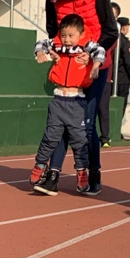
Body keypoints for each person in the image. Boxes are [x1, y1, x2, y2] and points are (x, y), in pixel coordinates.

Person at [37, 0, 119, 194]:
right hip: (68, 69)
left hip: (94, 68)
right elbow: (53, 30)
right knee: (60, 123)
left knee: (86, 126)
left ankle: (93, 174)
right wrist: (54, 51)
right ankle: (53, 175)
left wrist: (92, 55)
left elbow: (111, 31)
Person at [30, 15, 104, 195]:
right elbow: (40, 43)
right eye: (64, 35)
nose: (67, 40)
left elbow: (100, 51)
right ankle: (40, 164)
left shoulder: (86, 47)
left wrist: (95, 65)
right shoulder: (57, 46)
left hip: (76, 102)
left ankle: (82, 171)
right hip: (58, 101)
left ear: (81, 34)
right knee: (50, 137)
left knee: (79, 141)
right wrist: (40, 53)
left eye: (71, 36)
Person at [106, 16, 130, 144]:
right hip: (122, 78)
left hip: (109, 77)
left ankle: (107, 130)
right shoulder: (125, 42)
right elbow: (129, 62)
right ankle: (115, 131)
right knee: (120, 106)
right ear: (124, 28)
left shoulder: (110, 39)